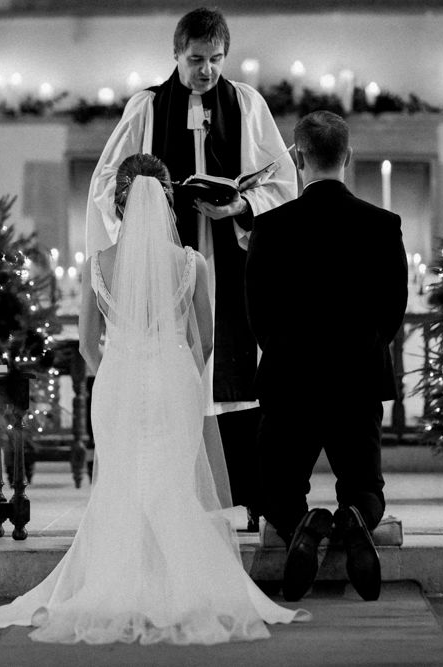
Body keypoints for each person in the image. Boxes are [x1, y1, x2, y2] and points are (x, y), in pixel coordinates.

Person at [0, 153, 309, 644]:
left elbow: (89, 345)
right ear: (168, 204)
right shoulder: (191, 263)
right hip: (175, 379)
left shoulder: (100, 264)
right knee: (173, 484)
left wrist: (119, 370)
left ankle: (121, 584)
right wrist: (176, 368)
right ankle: (185, 587)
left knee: (121, 486)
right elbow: (208, 337)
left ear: (118, 205)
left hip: (119, 382)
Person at [86, 7, 297, 530]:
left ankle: (247, 498)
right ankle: (169, 506)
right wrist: (139, 217)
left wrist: (238, 207)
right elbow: (105, 182)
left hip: (230, 258)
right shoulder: (148, 107)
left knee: (233, 370)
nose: (206, 71)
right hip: (166, 263)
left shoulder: (246, 104)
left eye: (216, 60)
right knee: (179, 371)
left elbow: (282, 182)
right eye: (196, 59)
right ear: (176, 55)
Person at [245, 111, 408, 602]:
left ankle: (307, 523)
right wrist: (364, 346)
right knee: (365, 486)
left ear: (297, 158)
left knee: (275, 490)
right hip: (357, 378)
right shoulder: (383, 225)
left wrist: (285, 350)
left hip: (290, 378)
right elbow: (393, 310)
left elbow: (259, 316)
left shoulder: (270, 228)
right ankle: (353, 518)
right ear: (349, 156)